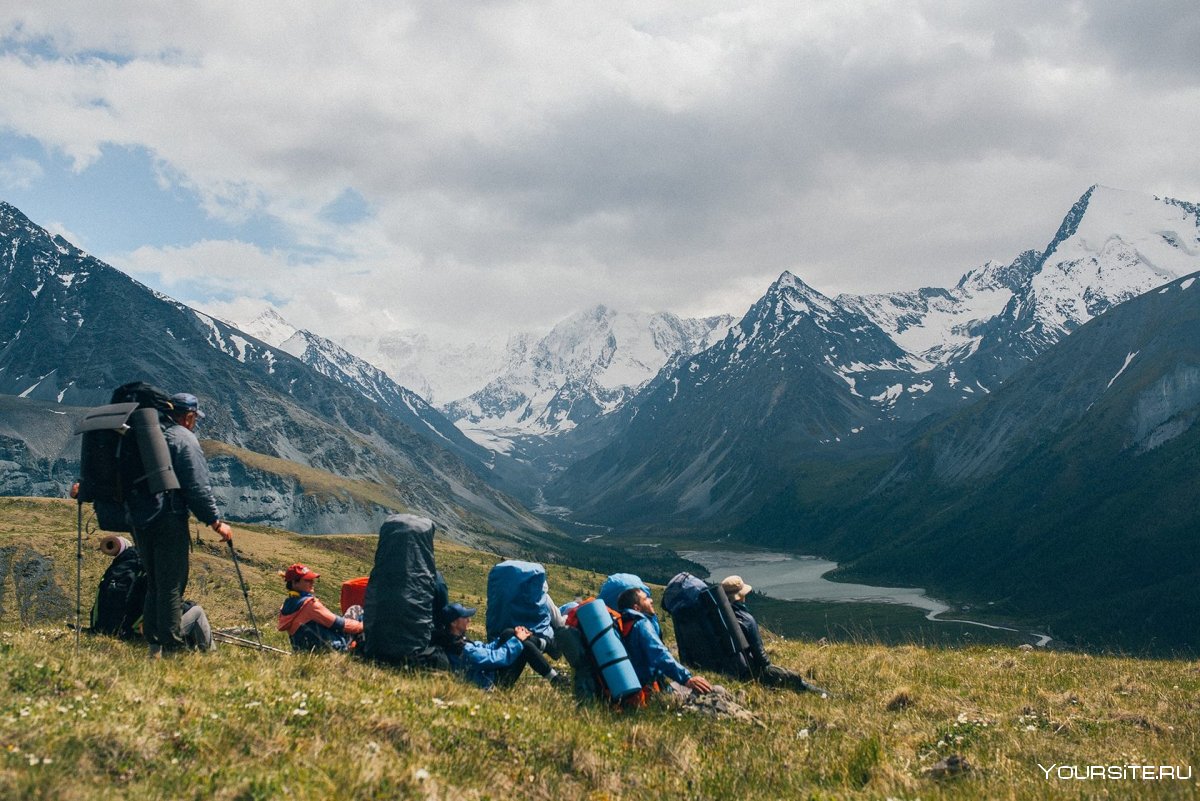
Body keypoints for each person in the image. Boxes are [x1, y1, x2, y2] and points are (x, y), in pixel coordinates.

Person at [127, 391, 232, 658]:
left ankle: (153, 651)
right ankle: (173, 649)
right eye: (195, 418)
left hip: (141, 521)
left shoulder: (148, 436)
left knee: (154, 583)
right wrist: (215, 521)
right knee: (172, 585)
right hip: (169, 520)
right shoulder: (184, 438)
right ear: (188, 417)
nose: (195, 423)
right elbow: (196, 486)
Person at [721, 575, 828, 695]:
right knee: (794, 678)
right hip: (748, 671)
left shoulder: (718, 617)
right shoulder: (746, 620)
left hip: (726, 669)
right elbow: (761, 659)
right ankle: (825, 695)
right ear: (741, 596)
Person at [434, 603, 565, 690]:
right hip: (494, 684)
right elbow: (496, 658)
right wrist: (517, 640)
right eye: (465, 617)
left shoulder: (453, 641)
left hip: (490, 675)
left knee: (509, 632)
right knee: (523, 646)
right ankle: (557, 679)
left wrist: (507, 637)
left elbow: (486, 649)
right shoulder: (462, 650)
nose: (469, 620)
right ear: (454, 623)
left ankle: (549, 650)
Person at [616, 587, 712, 696]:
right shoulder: (641, 624)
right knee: (713, 690)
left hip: (630, 689)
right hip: (647, 691)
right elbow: (659, 654)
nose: (651, 600)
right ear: (636, 608)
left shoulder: (625, 625)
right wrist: (687, 678)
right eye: (646, 598)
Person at [277, 563, 364, 651]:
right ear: (294, 583)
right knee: (356, 610)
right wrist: (364, 626)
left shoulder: (286, 605)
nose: (312, 582)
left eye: (312, 579)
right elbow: (339, 624)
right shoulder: (309, 604)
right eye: (307, 580)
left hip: (304, 651)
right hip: (334, 649)